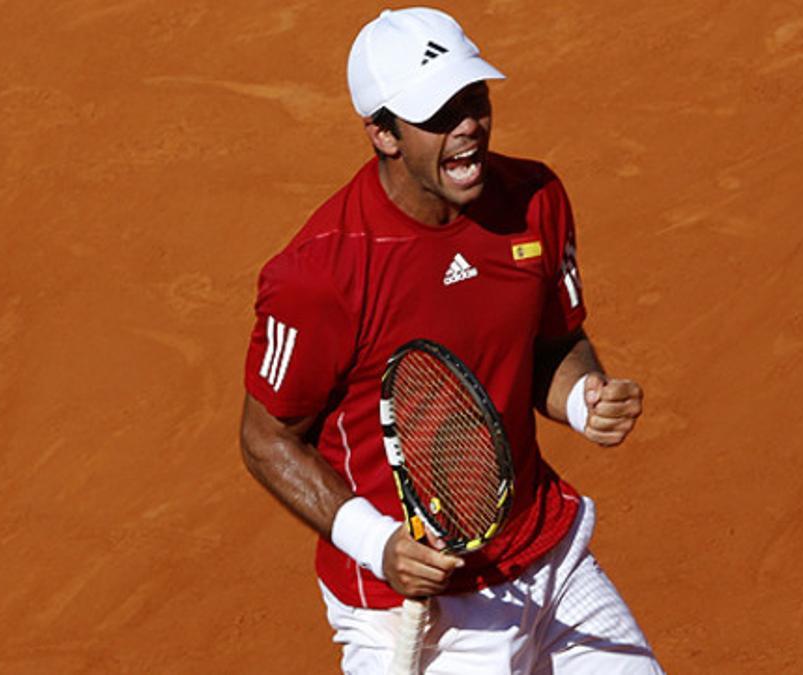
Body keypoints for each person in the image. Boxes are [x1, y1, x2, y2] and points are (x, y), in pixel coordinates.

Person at [238, 7, 662, 674]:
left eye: (473, 98)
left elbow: (552, 341)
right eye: (438, 112)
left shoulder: (535, 198)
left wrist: (584, 397)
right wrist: (380, 544)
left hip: (546, 554)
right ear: (383, 132)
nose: (467, 124)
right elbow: (266, 438)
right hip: (410, 611)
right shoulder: (320, 274)